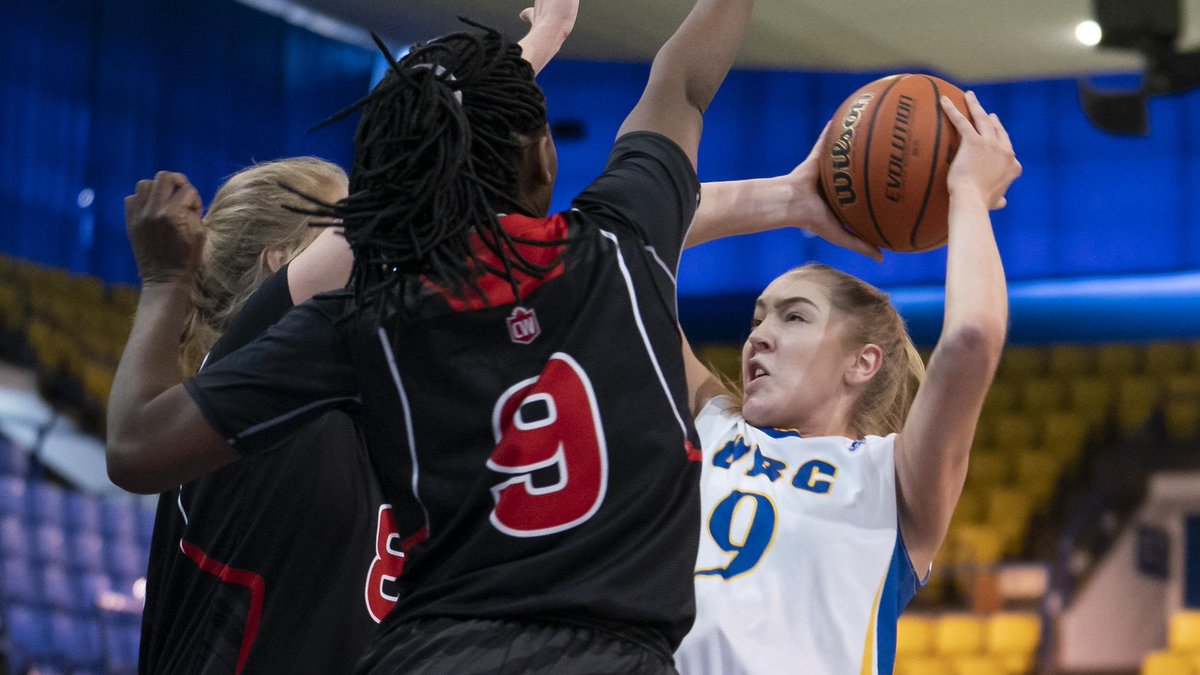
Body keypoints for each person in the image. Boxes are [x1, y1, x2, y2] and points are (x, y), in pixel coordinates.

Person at [107, 0, 757, 672]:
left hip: (439, 653)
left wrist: (162, 280)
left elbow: (135, 446)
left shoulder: (368, 323)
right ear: (544, 161)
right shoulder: (622, 246)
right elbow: (679, 84)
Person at [133, 8, 579, 672]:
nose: (379, 234)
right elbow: (409, 187)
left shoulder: (385, 405)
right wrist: (538, 46)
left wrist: (781, 200)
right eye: (344, 219)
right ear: (284, 264)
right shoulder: (237, 397)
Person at [672, 92, 1021, 674]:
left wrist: (967, 195)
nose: (758, 335)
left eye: (794, 316)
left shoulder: (891, 479)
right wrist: (786, 198)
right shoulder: (712, 421)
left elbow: (972, 338)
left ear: (862, 363)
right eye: (757, 317)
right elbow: (624, 248)